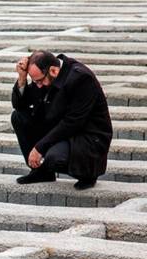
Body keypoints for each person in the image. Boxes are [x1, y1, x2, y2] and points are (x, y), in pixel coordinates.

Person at [10, 50, 112, 190]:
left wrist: (39, 148)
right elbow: (20, 106)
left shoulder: (81, 78)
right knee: (18, 117)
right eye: (34, 81)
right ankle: (41, 172)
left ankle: (87, 174)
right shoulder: (45, 77)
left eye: (39, 81)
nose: (37, 85)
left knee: (54, 159)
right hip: (62, 130)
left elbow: (73, 122)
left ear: (53, 70)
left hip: (87, 137)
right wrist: (22, 78)